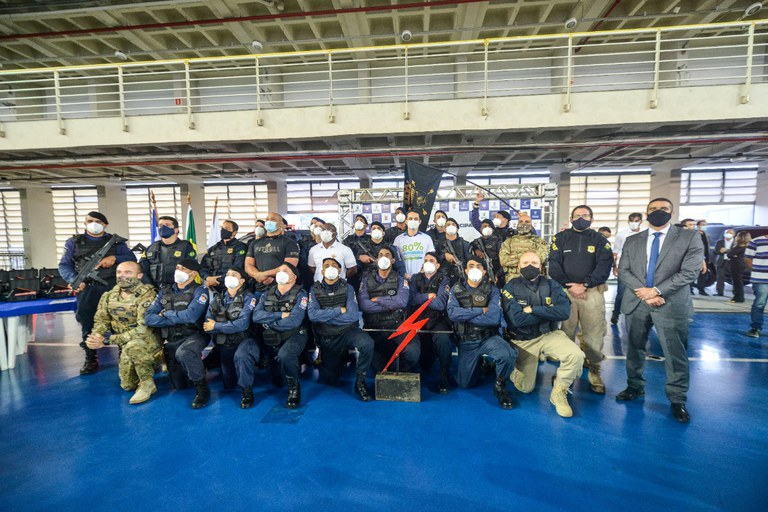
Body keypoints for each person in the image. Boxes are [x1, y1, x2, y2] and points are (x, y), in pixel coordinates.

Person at [615, 197, 703, 423]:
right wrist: (644, 292)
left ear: (672, 213)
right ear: (646, 214)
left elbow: (690, 272)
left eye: (663, 209)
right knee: (634, 348)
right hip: (637, 302)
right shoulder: (633, 240)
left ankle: (677, 399)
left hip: (670, 303)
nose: (658, 212)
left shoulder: (689, 237)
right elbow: (623, 270)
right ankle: (634, 386)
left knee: (675, 353)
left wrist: (656, 291)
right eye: (653, 209)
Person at [501, 252, 584, 417]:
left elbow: (564, 312)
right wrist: (549, 312)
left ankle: (559, 391)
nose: (529, 265)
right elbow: (517, 320)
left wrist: (533, 309)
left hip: (549, 334)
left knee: (576, 355)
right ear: (518, 266)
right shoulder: (510, 287)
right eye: (525, 262)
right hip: (523, 339)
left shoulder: (552, 285)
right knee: (525, 388)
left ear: (541, 266)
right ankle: (515, 370)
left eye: (534, 262)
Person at [58, 211, 136, 375]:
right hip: (87, 289)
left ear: (105, 225)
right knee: (88, 322)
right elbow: (64, 265)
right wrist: (74, 280)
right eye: (90, 221)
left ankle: (124, 355)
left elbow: (131, 258)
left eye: (98, 221)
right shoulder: (74, 242)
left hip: (113, 288)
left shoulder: (115, 242)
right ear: (85, 223)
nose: (93, 224)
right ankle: (90, 357)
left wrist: (115, 258)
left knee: (120, 320)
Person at [548, 204, 613, 394]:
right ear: (571, 219)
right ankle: (565, 369)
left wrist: (585, 284)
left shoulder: (600, 240)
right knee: (565, 332)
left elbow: (604, 267)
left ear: (592, 218)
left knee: (593, 333)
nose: (581, 218)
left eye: (585, 215)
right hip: (566, 292)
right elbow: (554, 265)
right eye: (577, 215)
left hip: (592, 292)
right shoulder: (560, 238)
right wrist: (570, 285)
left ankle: (594, 369)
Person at [85, 261, 160, 405]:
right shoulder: (109, 296)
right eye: (119, 272)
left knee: (134, 346)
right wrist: (96, 336)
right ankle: (141, 364)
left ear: (139, 276)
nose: (122, 276)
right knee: (127, 385)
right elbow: (101, 320)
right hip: (124, 342)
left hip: (146, 340)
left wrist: (107, 340)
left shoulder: (148, 296)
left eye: (128, 272)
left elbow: (142, 330)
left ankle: (148, 382)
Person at [447, 258, 517, 409]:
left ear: (484, 271)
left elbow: (493, 318)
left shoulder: (493, 290)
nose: (474, 269)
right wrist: (480, 310)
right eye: (471, 266)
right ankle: (482, 364)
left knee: (508, 355)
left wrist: (465, 315)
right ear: (465, 270)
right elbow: (452, 314)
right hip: (467, 340)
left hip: (488, 337)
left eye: (479, 266)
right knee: (465, 383)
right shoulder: (456, 289)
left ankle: (500, 387)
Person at [144, 258, 211, 408]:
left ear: (193, 274)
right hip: (173, 338)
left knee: (185, 353)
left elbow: (191, 316)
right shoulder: (164, 291)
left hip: (195, 335)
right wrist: (175, 319)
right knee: (180, 385)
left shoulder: (200, 291)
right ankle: (197, 366)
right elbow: (149, 318)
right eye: (177, 267)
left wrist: (165, 314)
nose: (178, 271)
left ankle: (202, 389)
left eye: (183, 268)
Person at [307, 257, 374, 401]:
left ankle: (360, 382)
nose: (330, 267)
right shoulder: (314, 289)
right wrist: (339, 310)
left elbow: (352, 316)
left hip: (348, 330)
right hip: (328, 335)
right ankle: (341, 355)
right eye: (326, 265)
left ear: (339, 270)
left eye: (334, 265)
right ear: (322, 271)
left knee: (367, 344)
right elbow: (312, 315)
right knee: (330, 380)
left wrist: (325, 315)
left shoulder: (348, 288)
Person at [247, 263, 309, 409]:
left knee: (286, 355)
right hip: (271, 338)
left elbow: (294, 321)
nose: (281, 273)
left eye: (285, 271)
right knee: (278, 381)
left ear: (294, 277)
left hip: (294, 335)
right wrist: (280, 315)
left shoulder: (301, 294)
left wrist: (269, 323)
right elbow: (256, 316)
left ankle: (294, 389)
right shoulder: (266, 293)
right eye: (279, 271)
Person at [204, 266, 257, 406]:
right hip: (225, 343)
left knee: (241, 356)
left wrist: (217, 326)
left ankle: (247, 391)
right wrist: (224, 327)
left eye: (234, 274)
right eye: (227, 274)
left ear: (242, 280)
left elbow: (242, 324)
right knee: (229, 384)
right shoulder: (217, 298)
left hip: (245, 340)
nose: (229, 277)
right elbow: (207, 324)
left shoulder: (249, 297)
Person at [358, 246, 416, 372]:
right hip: (374, 328)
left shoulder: (400, 279)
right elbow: (364, 305)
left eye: (387, 254)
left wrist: (378, 299)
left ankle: (403, 369)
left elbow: (401, 302)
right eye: (381, 254)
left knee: (412, 352)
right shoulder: (366, 280)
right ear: (376, 259)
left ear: (393, 260)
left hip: (397, 327)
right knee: (377, 368)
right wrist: (391, 304)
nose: (384, 257)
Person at [408, 252, 453, 393]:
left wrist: (419, 298)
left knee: (443, 339)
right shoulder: (415, 278)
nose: (428, 262)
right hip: (417, 319)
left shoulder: (444, 279)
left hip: (437, 320)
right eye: (426, 260)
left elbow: (440, 304)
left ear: (437, 265)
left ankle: (444, 373)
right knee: (424, 363)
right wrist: (428, 296)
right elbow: (410, 299)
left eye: (431, 260)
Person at [245, 211, 300, 297]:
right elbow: (248, 265)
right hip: (259, 289)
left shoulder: (290, 243)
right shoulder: (255, 243)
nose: (269, 221)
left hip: (281, 290)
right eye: (267, 219)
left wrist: (263, 275)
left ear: (281, 224)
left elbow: (289, 267)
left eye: (273, 219)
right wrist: (257, 275)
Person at [139, 216, 197, 288]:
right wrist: (150, 286)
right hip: (154, 289)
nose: (163, 227)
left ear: (176, 230)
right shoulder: (151, 248)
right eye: (161, 225)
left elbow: (191, 269)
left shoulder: (186, 247)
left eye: (167, 225)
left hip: (179, 289)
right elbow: (142, 269)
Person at [611, 213, 644, 324]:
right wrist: (614, 267)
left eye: (636, 221)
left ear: (641, 221)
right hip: (624, 268)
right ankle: (616, 313)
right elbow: (615, 252)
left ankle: (639, 316)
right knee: (621, 292)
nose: (633, 223)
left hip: (641, 269)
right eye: (631, 220)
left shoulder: (646, 234)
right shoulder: (621, 235)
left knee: (641, 292)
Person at [498, 212, 549, 283]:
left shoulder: (540, 242)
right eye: (521, 221)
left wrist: (514, 257)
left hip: (534, 280)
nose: (523, 224)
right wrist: (529, 257)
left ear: (531, 225)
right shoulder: (508, 242)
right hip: (513, 280)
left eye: (527, 222)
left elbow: (539, 259)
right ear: (517, 224)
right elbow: (503, 261)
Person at [200, 219, 248, 292]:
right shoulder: (213, 249)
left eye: (227, 228)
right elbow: (202, 267)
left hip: (231, 287)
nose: (223, 230)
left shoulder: (241, 247)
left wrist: (216, 280)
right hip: (212, 287)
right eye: (222, 228)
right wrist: (207, 278)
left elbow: (238, 267)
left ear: (234, 232)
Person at [393, 209, 435, 278]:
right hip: (404, 278)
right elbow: (396, 260)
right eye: (410, 219)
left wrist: (422, 272)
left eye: (416, 219)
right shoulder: (398, 239)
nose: (413, 221)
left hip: (422, 278)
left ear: (420, 221)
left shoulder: (427, 238)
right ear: (406, 221)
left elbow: (432, 258)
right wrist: (403, 274)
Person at [435, 217, 472, 285]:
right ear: (444, 229)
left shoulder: (464, 244)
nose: (451, 226)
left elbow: (470, 261)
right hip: (443, 278)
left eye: (453, 224)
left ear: (457, 229)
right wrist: (444, 255)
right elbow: (433, 260)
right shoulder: (437, 244)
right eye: (448, 225)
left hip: (461, 278)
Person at [343, 214, 375, 290]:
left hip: (369, 274)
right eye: (357, 220)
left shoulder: (371, 239)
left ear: (366, 225)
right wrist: (359, 257)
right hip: (352, 274)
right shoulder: (347, 240)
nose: (358, 221)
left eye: (361, 220)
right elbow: (344, 256)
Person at [745, 233, 768, 338]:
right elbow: (747, 258)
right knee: (759, 303)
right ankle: (755, 328)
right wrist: (756, 270)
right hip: (760, 279)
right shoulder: (756, 241)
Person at [470, 218, 503, 286]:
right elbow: (470, 246)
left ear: (493, 229)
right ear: (480, 229)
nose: (486, 228)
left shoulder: (498, 241)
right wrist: (476, 250)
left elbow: (503, 261)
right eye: (484, 226)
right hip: (481, 274)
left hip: (496, 273)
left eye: (489, 226)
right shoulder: (477, 241)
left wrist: (497, 274)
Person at [727, 231, 751, 303]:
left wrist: (733, 254)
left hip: (736, 265)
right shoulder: (748, 246)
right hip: (742, 264)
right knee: (738, 281)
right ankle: (737, 297)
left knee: (737, 281)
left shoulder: (740, 246)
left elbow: (730, 254)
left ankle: (739, 298)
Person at [714, 229, 735, 297]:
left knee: (734, 278)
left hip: (732, 262)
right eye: (727, 233)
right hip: (722, 262)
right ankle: (719, 292)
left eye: (730, 233)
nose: (728, 234)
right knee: (720, 277)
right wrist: (720, 251)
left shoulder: (736, 242)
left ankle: (736, 293)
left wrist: (727, 250)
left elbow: (737, 251)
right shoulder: (720, 242)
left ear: (733, 234)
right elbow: (715, 251)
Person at [696, 220, 711, 295]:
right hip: (696, 257)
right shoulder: (694, 234)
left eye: (705, 225)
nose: (704, 226)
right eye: (703, 225)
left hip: (705, 257)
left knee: (703, 273)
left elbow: (707, 246)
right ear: (698, 225)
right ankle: (690, 289)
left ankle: (701, 289)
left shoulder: (706, 235)